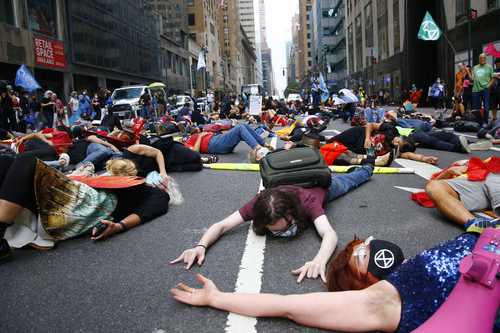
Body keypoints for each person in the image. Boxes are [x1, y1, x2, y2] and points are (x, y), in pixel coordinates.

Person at [171, 229, 491, 333]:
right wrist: (217, 298)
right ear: (361, 284)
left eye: (364, 245)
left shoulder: (415, 264)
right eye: (363, 255)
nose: (370, 245)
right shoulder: (383, 300)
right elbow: (287, 306)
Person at [171, 164, 374, 283]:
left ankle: (366, 166)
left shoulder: (308, 202)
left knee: (350, 181)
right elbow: (222, 225)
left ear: (293, 215)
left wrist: (319, 260)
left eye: (285, 228)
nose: (283, 234)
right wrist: (200, 245)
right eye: (274, 232)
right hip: (286, 184)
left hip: (320, 189)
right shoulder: (259, 205)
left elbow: (329, 234)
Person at [0, 154, 170, 263]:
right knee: (6, 161)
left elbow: (155, 205)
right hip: (68, 194)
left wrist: (119, 226)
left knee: (27, 159)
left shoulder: (146, 189)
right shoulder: (101, 179)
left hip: (80, 204)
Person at [425, 159, 499, 229]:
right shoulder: (457, 173)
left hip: (488, 180)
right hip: (472, 189)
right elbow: (432, 189)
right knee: (433, 186)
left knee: (493, 178)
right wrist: (448, 172)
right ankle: (475, 224)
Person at [185, 124, 273, 159]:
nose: (196, 127)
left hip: (218, 140)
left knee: (243, 126)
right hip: (214, 144)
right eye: (193, 127)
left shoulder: (201, 131)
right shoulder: (189, 139)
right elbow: (194, 152)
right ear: (190, 132)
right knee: (240, 128)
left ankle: (264, 144)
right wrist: (200, 137)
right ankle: (258, 149)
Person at [472, 53, 495, 126]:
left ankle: (485, 122)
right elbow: (472, 78)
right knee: (476, 107)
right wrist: (467, 71)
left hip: (485, 89)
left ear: (485, 59)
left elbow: (493, 78)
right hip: (476, 89)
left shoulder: (489, 67)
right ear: (479, 59)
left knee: (486, 106)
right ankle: (478, 122)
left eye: (484, 58)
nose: (482, 59)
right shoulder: (475, 67)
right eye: (481, 58)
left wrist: (488, 86)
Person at [490, 58, 500, 123]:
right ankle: (494, 118)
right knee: (494, 106)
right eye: (496, 63)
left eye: (498, 63)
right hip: (493, 91)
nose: (497, 64)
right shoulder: (493, 71)